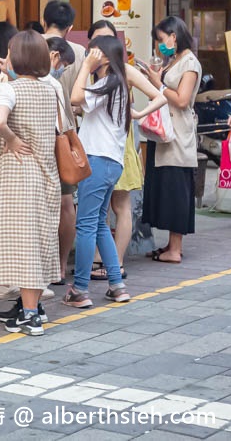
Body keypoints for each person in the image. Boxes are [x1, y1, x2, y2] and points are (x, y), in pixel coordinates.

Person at [63, 36, 165, 309]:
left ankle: (80, 290)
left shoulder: (107, 83)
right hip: (112, 162)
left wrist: (85, 66)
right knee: (97, 223)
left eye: (94, 51)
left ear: (104, 56)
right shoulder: (117, 83)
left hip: (97, 160)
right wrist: (140, 112)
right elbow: (161, 96)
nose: (90, 54)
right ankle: (117, 285)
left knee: (85, 225)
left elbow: (75, 97)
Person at [0, 31, 62, 336]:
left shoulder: (8, 90)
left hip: (18, 176)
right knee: (37, 240)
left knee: (23, 244)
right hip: (47, 174)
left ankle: (29, 314)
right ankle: (31, 309)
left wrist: (13, 140)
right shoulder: (50, 90)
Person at [140, 16, 202, 264]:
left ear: (174, 37)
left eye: (161, 40)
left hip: (177, 135)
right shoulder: (175, 60)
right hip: (165, 133)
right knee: (165, 187)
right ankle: (169, 246)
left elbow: (182, 99)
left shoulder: (190, 63)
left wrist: (158, 83)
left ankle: (175, 250)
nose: (159, 46)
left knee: (176, 189)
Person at [87, 21, 143, 282]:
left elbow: (161, 94)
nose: (100, 50)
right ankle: (112, 271)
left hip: (114, 144)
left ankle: (115, 263)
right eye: (96, 43)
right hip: (105, 143)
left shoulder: (122, 72)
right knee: (100, 215)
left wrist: (138, 113)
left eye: (107, 42)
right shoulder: (95, 73)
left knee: (119, 205)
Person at [42, 1, 88, 283]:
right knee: (66, 201)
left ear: (42, 20)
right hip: (66, 134)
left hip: (33, 133)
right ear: (70, 28)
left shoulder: (25, 45)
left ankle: (38, 266)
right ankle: (60, 265)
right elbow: (82, 98)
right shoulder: (80, 53)